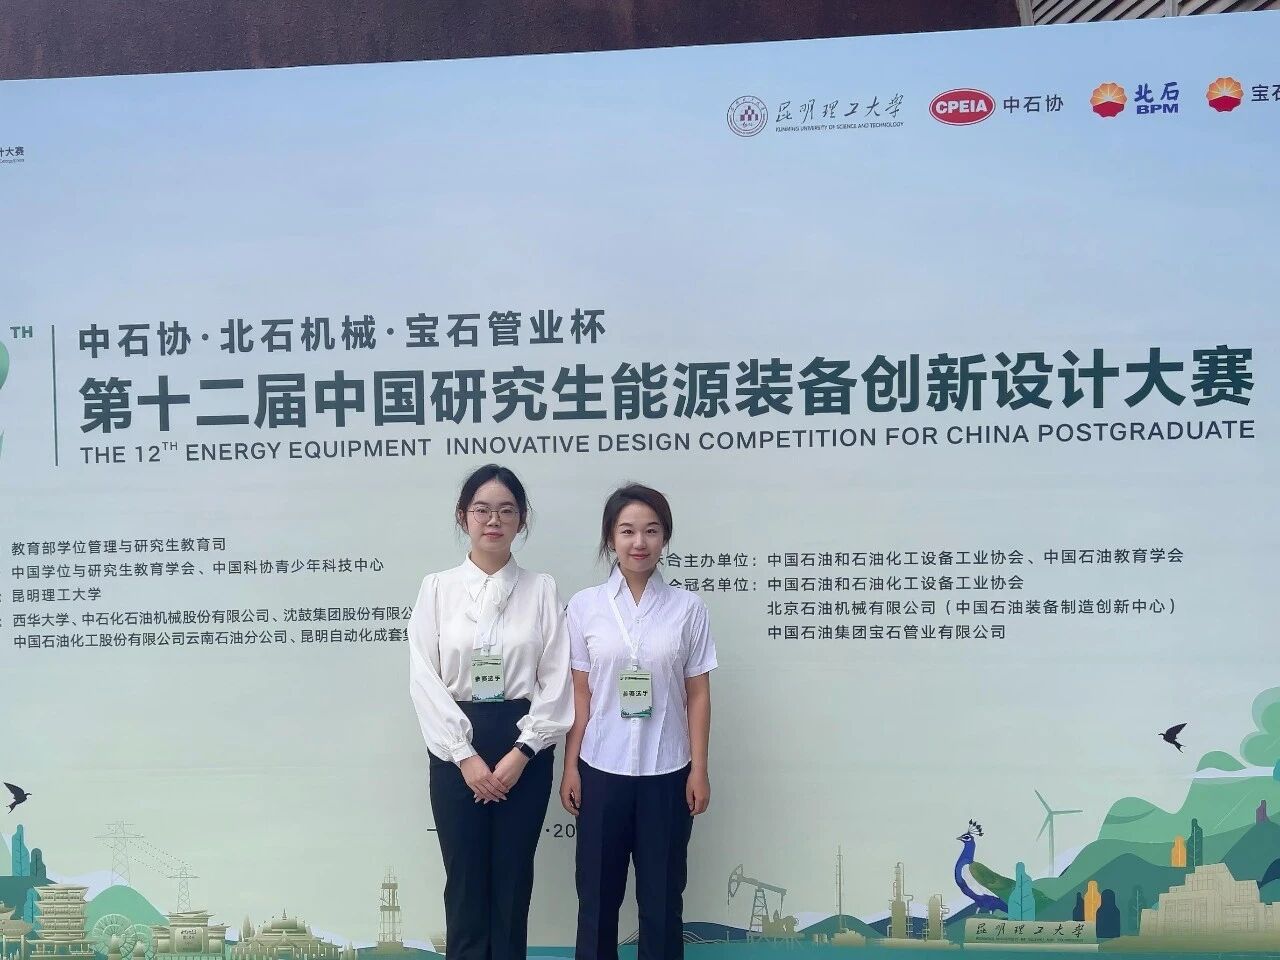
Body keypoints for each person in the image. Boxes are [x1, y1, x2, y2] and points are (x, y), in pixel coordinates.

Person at [409, 464, 573, 960]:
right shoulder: (437, 589)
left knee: (512, 882)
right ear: (463, 516)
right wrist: (464, 755)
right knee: (464, 883)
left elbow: (557, 679)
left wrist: (523, 751)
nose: (493, 520)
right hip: (455, 747)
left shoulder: (541, 589)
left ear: (522, 520)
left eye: (506, 510)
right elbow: (424, 678)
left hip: (524, 746)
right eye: (482, 510)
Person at [560, 483, 717, 960]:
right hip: (601, 769)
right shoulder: (585, 606)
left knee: (662, 900)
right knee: (596, 899)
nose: (639, 542)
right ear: (611, 538)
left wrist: (699, 769)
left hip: (667, 772)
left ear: (665, 537)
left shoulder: (688, 608)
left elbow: (698, 694)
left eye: (651, 530)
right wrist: (570, 767)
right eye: (627, 531)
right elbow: (581, 694)